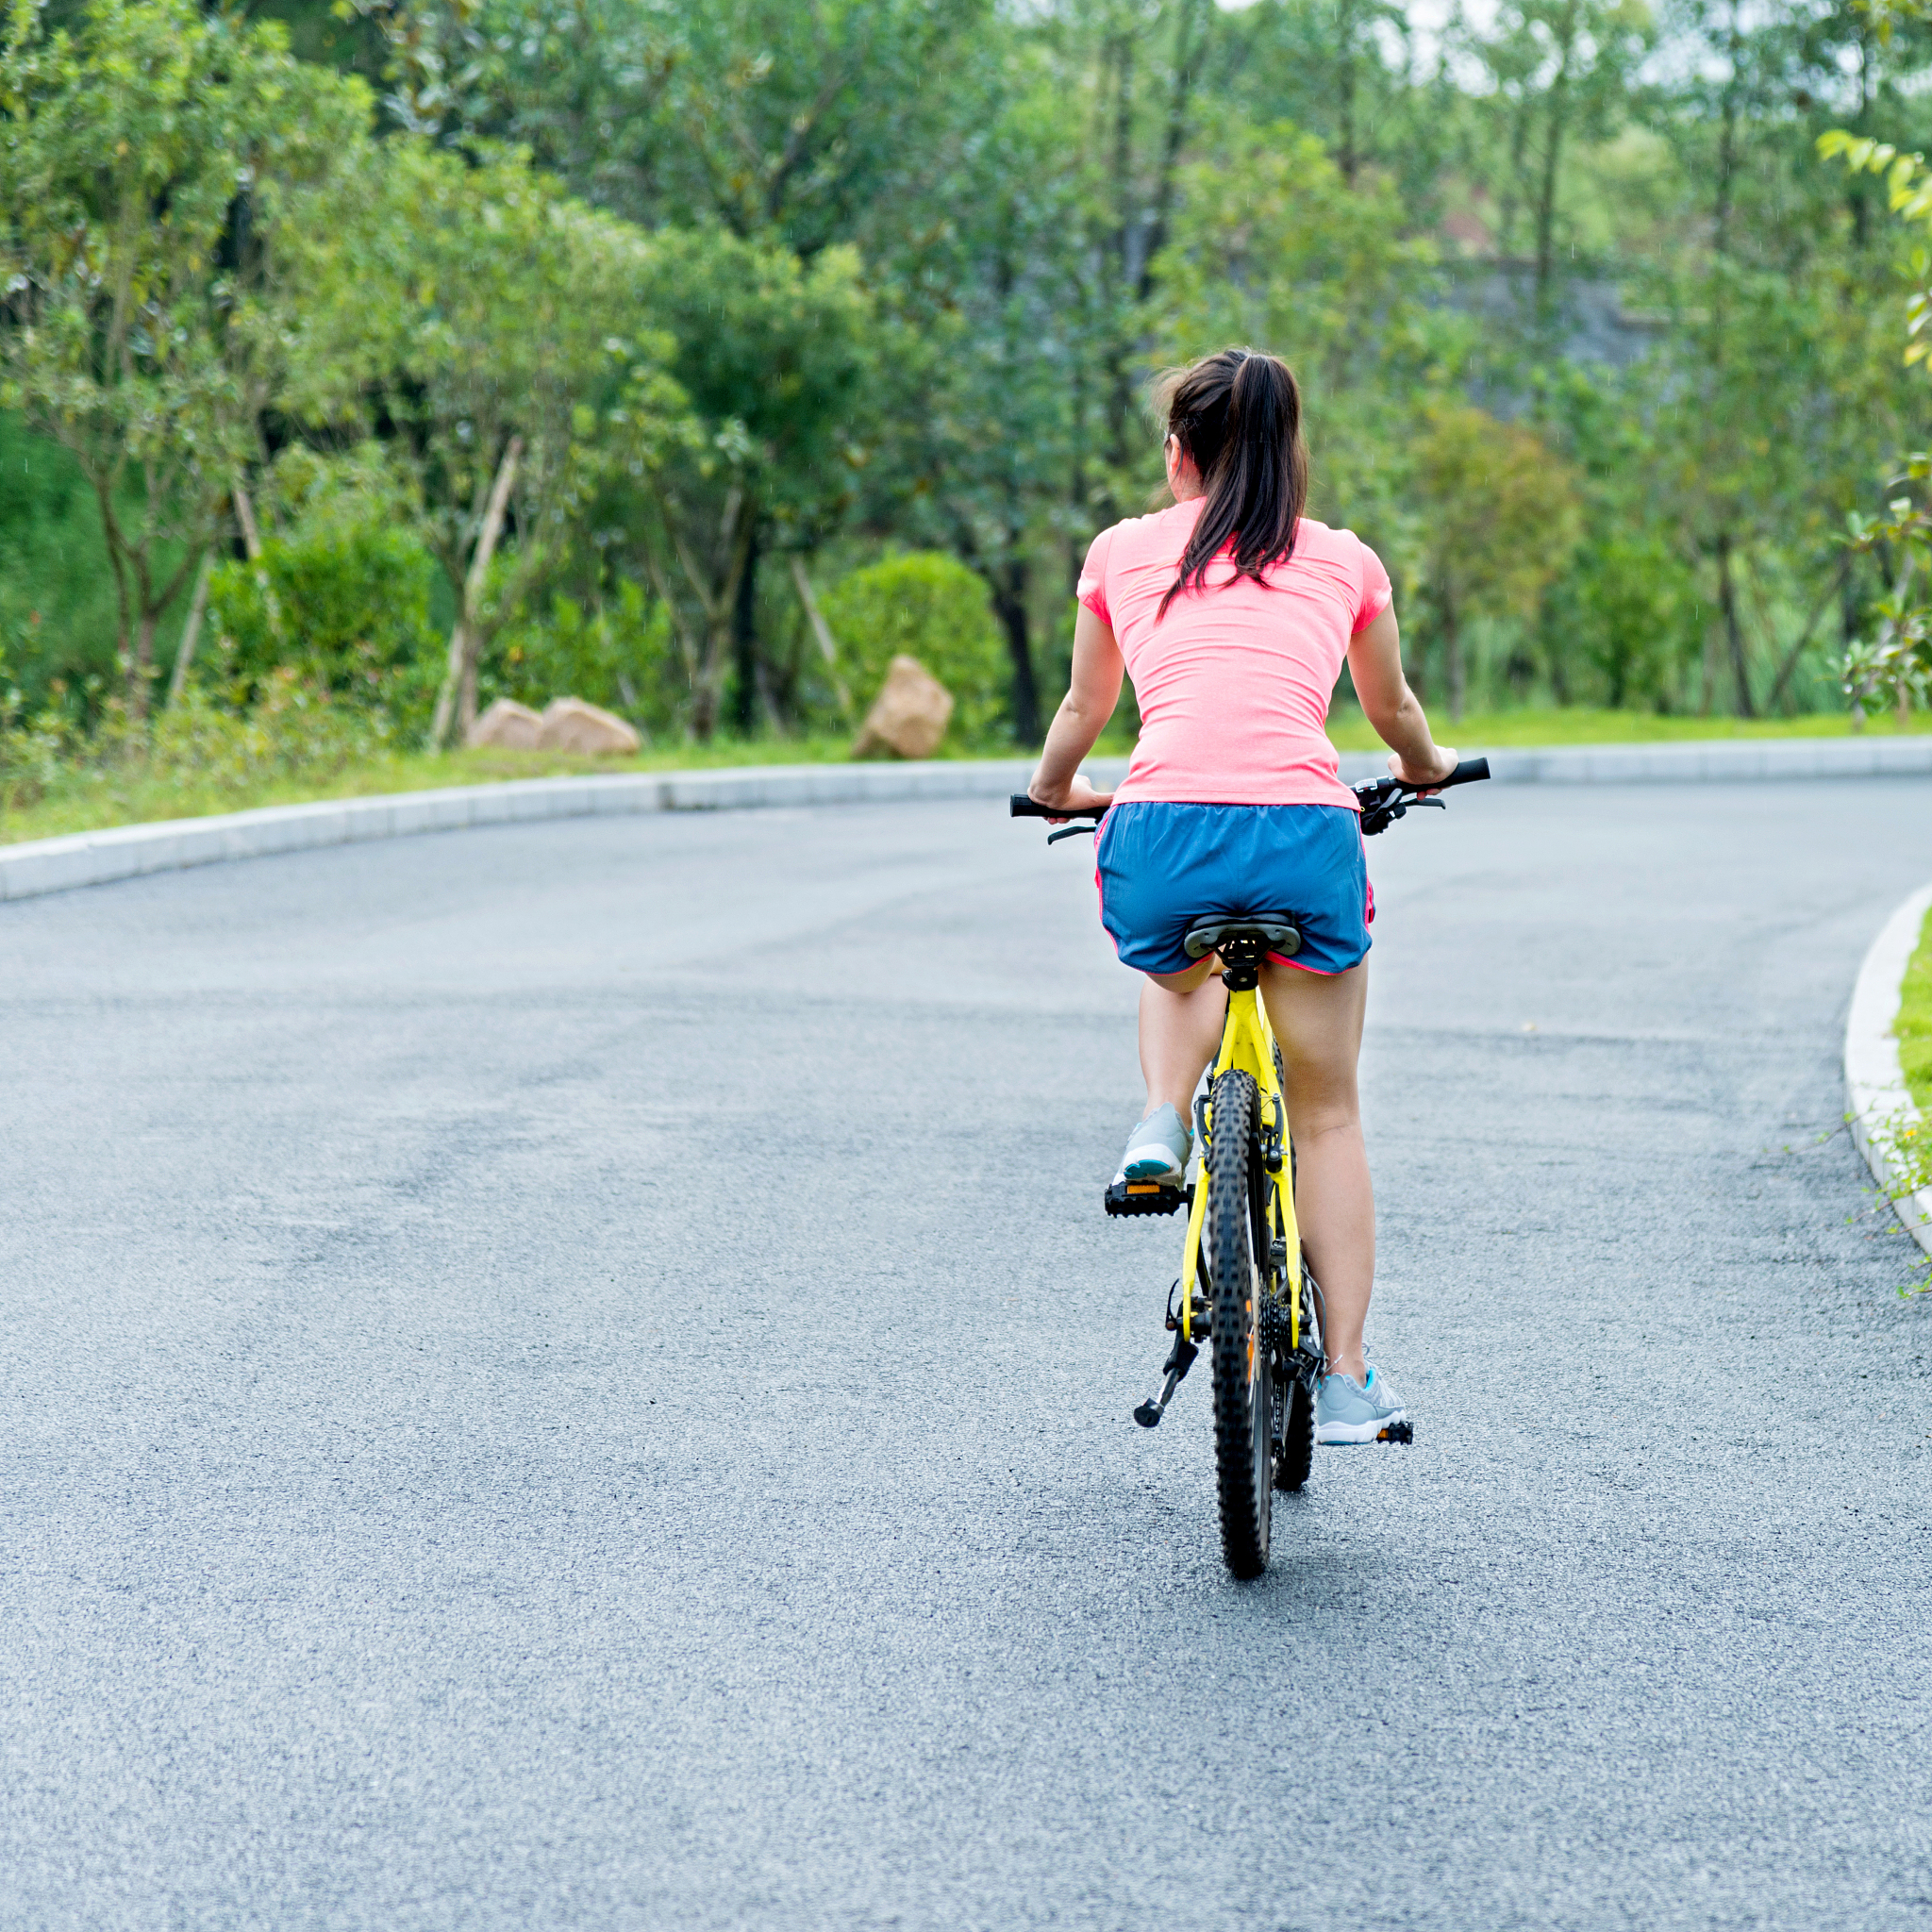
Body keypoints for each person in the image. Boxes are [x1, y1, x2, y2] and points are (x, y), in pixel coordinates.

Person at [1025, 346, 1457, 1447]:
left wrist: (1051, 791)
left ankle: (1161, 1119)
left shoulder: (1121, 550)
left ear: (1179, 454)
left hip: (1164, 825)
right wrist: (1425, 767)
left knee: (1171, 956)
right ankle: (1350, 1376)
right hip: (1304, 835)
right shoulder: (1339, 559)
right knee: (1326, 1109)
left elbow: (1083, 707)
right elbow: (1392, 707)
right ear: (1287, 452)